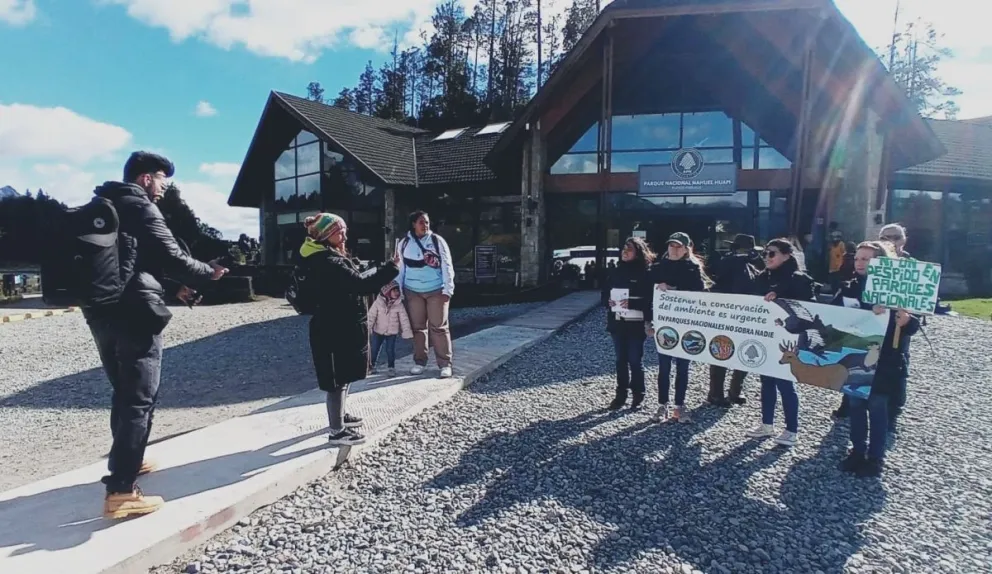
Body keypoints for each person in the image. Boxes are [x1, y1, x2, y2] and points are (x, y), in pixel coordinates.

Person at [83, 152, 228, 519]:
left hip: (101, 312)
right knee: (139, 398)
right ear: (146, 178)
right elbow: (173, 254)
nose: (165, 187)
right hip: (135, 313)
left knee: (124, 391)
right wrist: (206, 273)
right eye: (163, 179)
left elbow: (136, 261)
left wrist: (175, 287)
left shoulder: (103, 206)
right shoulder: (140, 206)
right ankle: (121, 491)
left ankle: (131, 457)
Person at [300, 213, 400, 447]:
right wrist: (391, 268)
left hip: (337, 325)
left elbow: (353, 280)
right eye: (339, 231)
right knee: (336, 379)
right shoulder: (327, 261)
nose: (344, 235)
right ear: (327, 234)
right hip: (333, 328)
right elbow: (361, 285)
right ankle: (336, 431)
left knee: (343, 374)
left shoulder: (324, 255)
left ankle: (340, 416)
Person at [836, 241, 920, 477]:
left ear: (882, 264)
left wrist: (905, 321)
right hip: (857, 359)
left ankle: (875, 458)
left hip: (886, 360)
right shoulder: (849, 288)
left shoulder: (897, 291)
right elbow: (834, 316)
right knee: (855, 405)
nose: (860, 263)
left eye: (867, 259)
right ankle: (857, 451)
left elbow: (912, 324)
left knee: (877, 407)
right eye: (858, 258)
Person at [745, 238, 815, 447]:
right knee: (766, 380)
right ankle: (767, 424)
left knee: (786, 382)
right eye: (765, 253)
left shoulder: (800, 279)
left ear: (786, 255)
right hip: (765, 336)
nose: (767, 257)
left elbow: (808, 309)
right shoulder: (761, 277)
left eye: (772, 253)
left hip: (788, 339)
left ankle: (791, 429)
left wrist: (781, 299)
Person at [649, 232, 710, 423]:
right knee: (664, 367)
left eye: (679, 246)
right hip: (665, 325)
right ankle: (662, 405)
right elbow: (649, 295)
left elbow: (698, 295)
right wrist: (649, 322)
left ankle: (680, 405)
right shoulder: (657, 267)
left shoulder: (693, 269)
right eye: (671, 246)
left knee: (683, 368)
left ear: (686, 249)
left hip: (686, 325)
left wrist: (673, 289)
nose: (674, 250)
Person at [397, 211, 456, 378]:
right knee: (418, 328)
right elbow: (400, 268)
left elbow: (447, 265)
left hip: (436, 290)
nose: (425, 225)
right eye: (421, 222)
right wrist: (399, 290)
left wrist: (448, 289)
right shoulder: (404, 243)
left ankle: (445, 363)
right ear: (413, 224)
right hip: (413, 291)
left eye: (427, 222)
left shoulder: (437, 241)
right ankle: (419, 361)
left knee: (439, 327)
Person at [708, 234, 763, 406]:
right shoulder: (729, 261)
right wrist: (746, 256)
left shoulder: (753, 267)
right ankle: (715, 393)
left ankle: (735, 390)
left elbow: (764, 272)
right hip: (726, 314)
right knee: (721, 353)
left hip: (747, 316)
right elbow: (721, 270)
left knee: (746, 353)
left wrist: (756, 259)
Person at [606, 237, 656, 411]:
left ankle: (638, 392)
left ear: (638, 252)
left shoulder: (646, 273)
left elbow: (651, 301)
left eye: (629, 249)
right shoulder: (615, 271)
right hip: (617, 323)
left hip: (636, 324)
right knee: (620, 360)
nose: (625, 252)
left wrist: (633, 304)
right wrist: (609, 302)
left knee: (635, 359)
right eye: (623, 249)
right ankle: (620, 395)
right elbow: (605, 294)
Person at [368, 280, 413, 376]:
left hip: (392, 332)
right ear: (387, 292)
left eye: (398, 290)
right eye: (394, 290)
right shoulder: (378, 303)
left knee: (390, 350)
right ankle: (372, 366)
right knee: (375, 349)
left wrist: (406, 331)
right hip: (378, 330)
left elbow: (404, 318)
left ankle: (391, 367)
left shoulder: (399, 304)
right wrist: (367, 328)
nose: (397, 293)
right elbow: (371, 316)